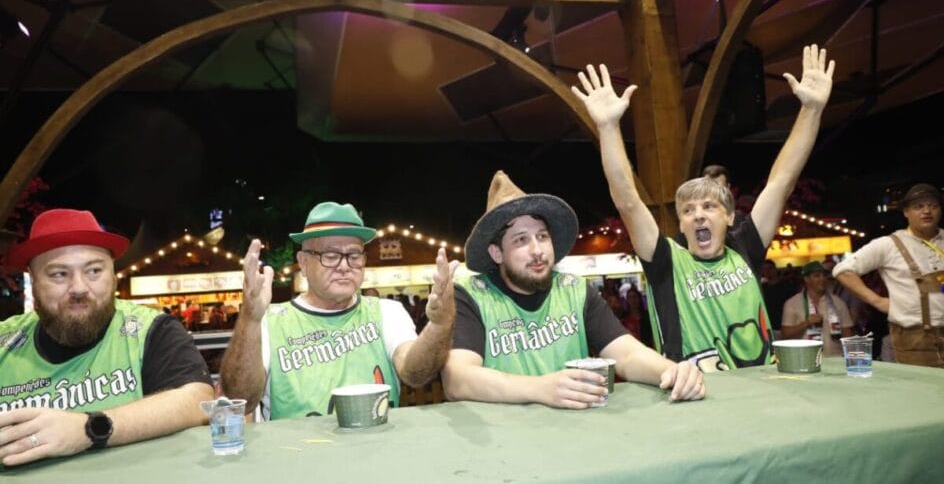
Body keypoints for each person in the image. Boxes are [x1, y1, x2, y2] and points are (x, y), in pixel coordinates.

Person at [573, 45, 835, 371]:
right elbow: (627, 200)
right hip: (695, 392)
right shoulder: (666, 260)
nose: (697, 214)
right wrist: (609, 127)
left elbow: (782, 182)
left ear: (729, 216)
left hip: (762, 387)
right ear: (681, 224)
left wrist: (811, 109)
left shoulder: (745, 246)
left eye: (709, 206)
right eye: (688, 210)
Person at [441, 171, 704, 409]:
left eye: (542, 236)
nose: (537, 250)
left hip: (574, 434)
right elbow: (456, 380)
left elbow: (627, 354)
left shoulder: (574, 290)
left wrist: (671, 371)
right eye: (521, 240)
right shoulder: (471, 295)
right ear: (496, 252)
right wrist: (540, 388)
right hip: (506, 438)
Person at [0, 209, 213, 466]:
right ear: (33, 282)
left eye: (93, 271)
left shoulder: (150, 329)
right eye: (59, 274)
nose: (79, 288)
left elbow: (197, 400)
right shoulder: (5, 342)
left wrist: (88, 429)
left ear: (113, 276)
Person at [220, 202, 458, 419]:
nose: (344, 266)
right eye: (331, 256)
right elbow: (241, 398)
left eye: (353, 255)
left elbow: (415, 374)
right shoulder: (269, 322)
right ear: (303, 263)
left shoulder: (387, 312)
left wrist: (440, 324)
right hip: (296, 452)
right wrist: (250, 319)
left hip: (377, 448)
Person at [834, 183, 944, 367]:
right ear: (906, 212)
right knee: (921, 385)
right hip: (914, 338)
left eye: (933, 206)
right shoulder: (889, 244)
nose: (927, 211)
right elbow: (843, 271)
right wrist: (877, 301)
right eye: (918, 207)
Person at [780, 261, 853, 356]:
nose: (822, 279)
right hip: (805, 359)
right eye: (817, 276)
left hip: (835, 358)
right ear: (806, 279)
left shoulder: (838, 302)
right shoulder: (792, 303)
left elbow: (847, 334)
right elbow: (785, 334)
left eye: (824, 275)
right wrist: (806, 323)